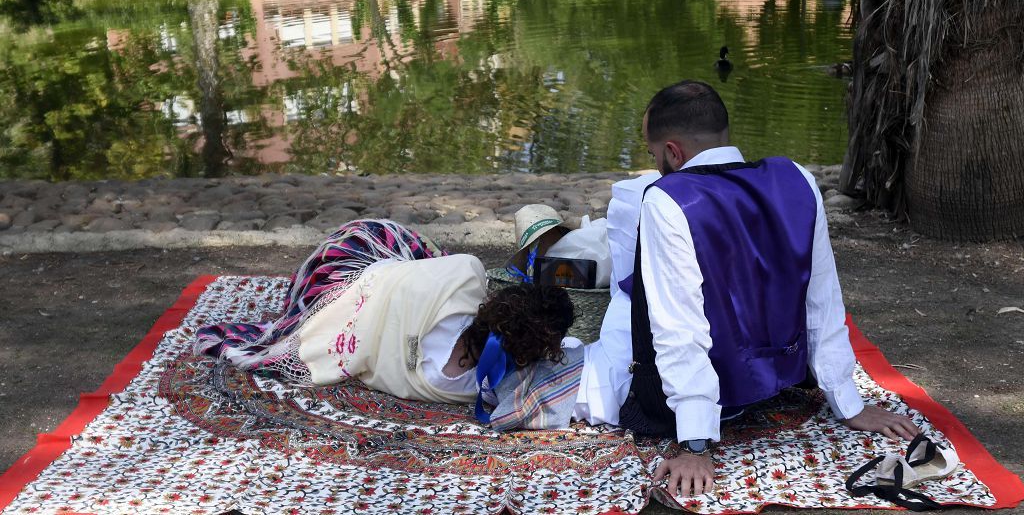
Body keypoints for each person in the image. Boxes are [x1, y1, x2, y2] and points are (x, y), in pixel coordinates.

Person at [593, 81, 920, 498]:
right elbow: (821, 298)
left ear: (673, 152)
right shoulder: (797, 178)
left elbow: (679, 327)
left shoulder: (665, 199)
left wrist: (695, 442)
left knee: (619, 315)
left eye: (656, 156)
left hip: (701, 405)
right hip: (778, 383)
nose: (658, 166)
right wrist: (847, 402)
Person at [195, 219, 583, 431]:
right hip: (350, 307)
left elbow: (417, 272)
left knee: (405, 252)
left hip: (342, 270)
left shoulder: (467, 274)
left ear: (506, 301)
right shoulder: (478, 392)